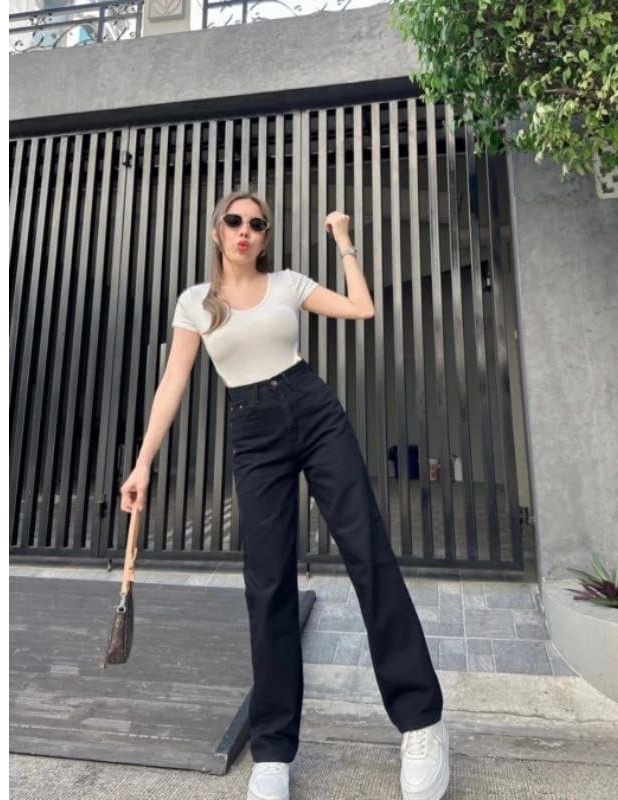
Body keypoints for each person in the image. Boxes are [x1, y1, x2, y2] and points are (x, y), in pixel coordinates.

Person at [119, 190, 450, 800]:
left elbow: (362, 307)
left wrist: (343, 240)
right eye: (234, 221)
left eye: (257, 223)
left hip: (314, 412)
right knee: (267, 583)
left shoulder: (289, 284)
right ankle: (272, 751)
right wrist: (142, 464)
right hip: (253, 430)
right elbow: (173, 382)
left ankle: (421, 722)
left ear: (266, 237)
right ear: (217, 231)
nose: (245, 230)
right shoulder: (195, 302)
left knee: (367, 554)